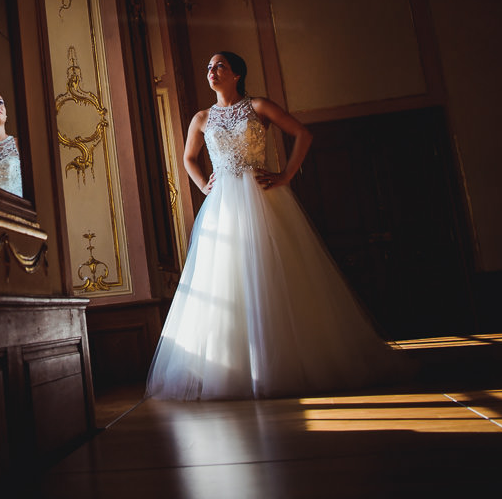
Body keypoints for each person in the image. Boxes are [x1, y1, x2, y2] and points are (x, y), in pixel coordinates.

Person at [146, 51, 410, 400]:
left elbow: (303, 134)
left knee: (274, 274)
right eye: (208, 67)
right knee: (225, 281)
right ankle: (234, 368)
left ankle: (287, 363)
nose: (212, 71)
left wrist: (286, 176)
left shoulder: (258, 106)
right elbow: (188, 158)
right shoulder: (202, 118)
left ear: (237, 74)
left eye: (220, 65)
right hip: (222, 205)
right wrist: (204, 186)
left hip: (263, 198)